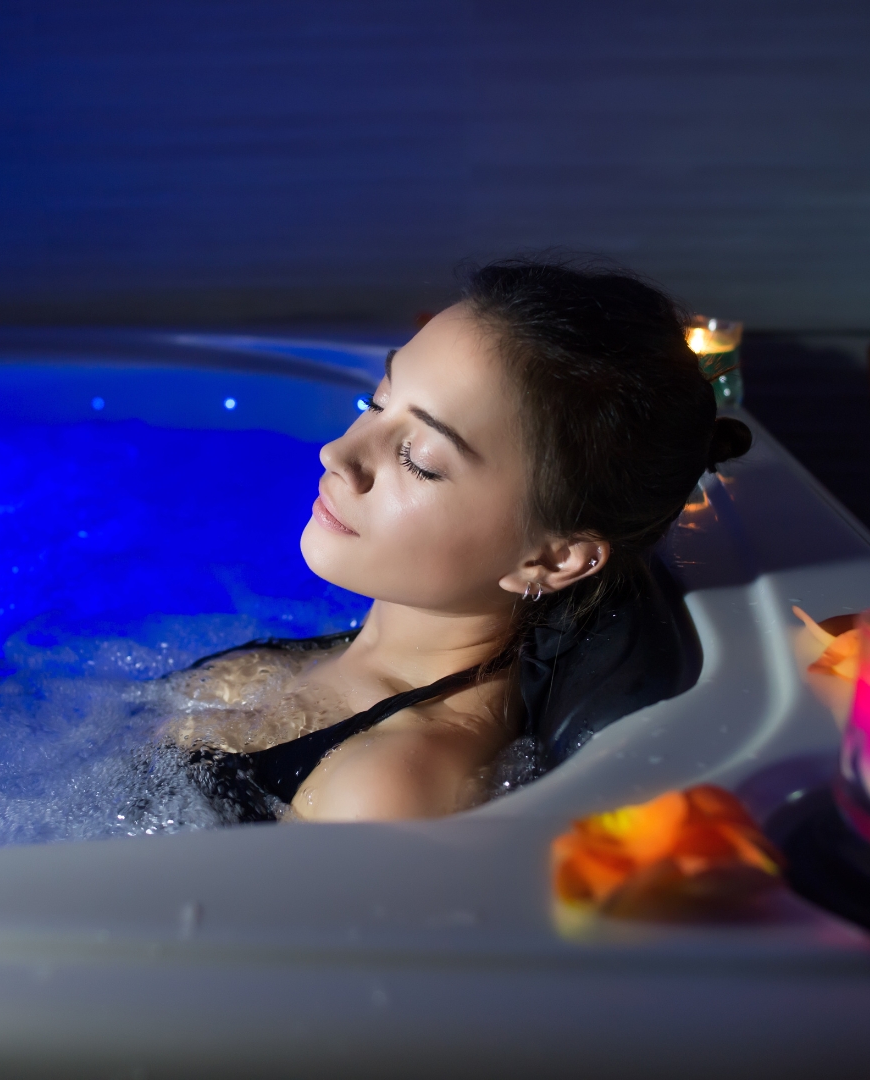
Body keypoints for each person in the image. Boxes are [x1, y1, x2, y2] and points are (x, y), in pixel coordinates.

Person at [163, 260, 751, 824]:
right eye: (378, 401)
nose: (337, 454)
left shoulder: (383, 787)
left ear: (550, 557)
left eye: (420, 460)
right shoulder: (351, 670)